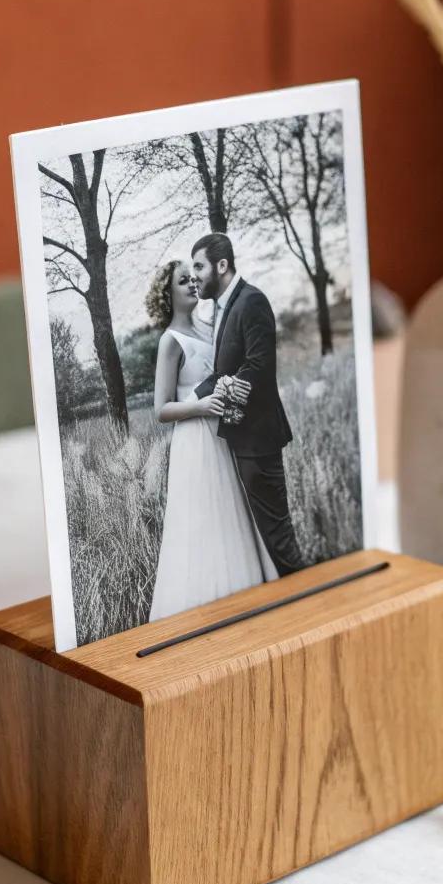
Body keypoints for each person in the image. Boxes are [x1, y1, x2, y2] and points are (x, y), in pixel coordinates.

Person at [148, 258, 275, 620]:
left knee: (237, 508)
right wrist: (201, 405)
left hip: (226, 433)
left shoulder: (213, 328)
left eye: (194, 278)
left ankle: (247, 593)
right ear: (168, 293)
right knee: (204, 518)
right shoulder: (170, 342)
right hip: (196, 438)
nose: (192, 284)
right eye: (183, 281)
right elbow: (160, 409)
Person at [190, 232, 304, 578]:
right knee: (268, 540)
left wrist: (223, 391)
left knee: (278, 538)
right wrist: (186, 404)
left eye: (199, 265)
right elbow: (224, 371)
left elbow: (258, 366)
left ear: (221, 265)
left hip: (258, 439)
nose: (194, 274)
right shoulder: (227, 306)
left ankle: (307, 600)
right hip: (244, 440)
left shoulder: (251, 301)